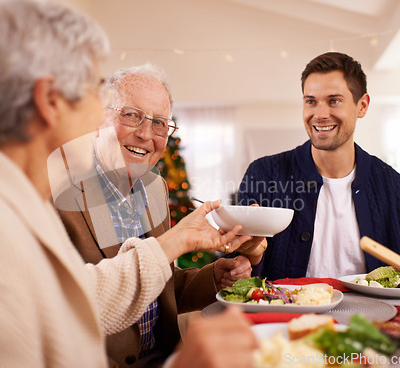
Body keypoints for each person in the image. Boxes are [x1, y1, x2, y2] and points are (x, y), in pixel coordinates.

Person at [0, 0, 257, 367]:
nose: (99, 113)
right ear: (50, 101)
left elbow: (81, 296)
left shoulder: (14, 203)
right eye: (94, 90)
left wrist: (179, 245)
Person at [54, 63, 264, 367]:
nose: (145, 134)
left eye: (159, 123)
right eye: (131, 115)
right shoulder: (60, 193)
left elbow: (159, 282)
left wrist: (213, 278)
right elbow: (63, 307)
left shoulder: (154, 188)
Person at [237, 51, 400, 280]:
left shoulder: (395, 188)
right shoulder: (263, 175)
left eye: (334, 101)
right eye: (311, 101)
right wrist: (250, 253)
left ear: (362, 106)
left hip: (371, 317)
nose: (320, 115)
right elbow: (236, 271)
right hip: (285, 315)